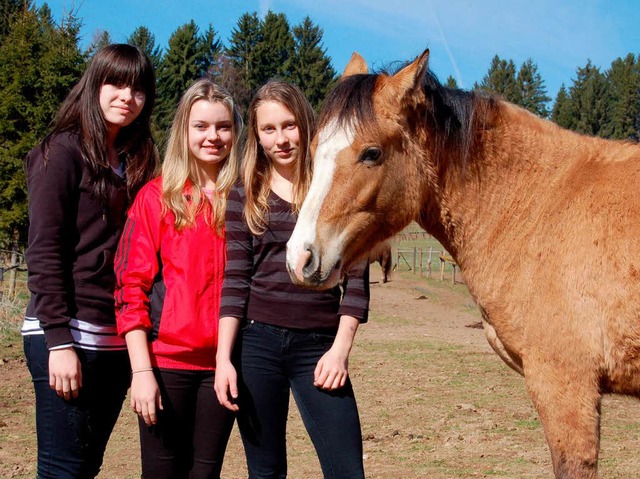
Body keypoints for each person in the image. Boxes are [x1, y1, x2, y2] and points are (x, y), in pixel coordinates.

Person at [214, 81, 370, 479]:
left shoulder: (333, 188)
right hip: (257, 346)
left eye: (289, 126)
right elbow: (235, 281)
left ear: (305, 123)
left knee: (346, 470)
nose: (281, 140)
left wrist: (340, 351)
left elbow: (356, 277)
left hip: (318, 347)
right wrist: (223, 360)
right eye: (269, 129)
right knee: (265, 471)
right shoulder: (243, 196)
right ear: (257, 135)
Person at [21, 43, 158, 478]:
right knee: (63, 468)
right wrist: (58, 341)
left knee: (85, 465)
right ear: (93, 85)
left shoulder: (137, 160)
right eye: (115, 83)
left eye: (137, 89)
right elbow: (43, 250)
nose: (126, 96)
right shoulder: (60, 153)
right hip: (67, 333)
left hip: (116, 337)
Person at [114, 78, 243, 479]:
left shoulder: (245, 199)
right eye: (201, 126)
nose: (213, 137)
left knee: (205, 474)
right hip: (165, 364)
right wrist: (141, 373)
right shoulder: (156, 198)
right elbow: (129, 287)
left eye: (223, 126)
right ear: (184, 130)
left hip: (222, 367)